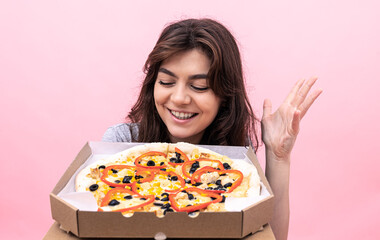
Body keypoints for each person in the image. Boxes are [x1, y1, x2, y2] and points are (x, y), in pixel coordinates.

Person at [102, 18, 322, 240]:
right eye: (167, 82)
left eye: (199, 87)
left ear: (225, 95)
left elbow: (269, 236)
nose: (178, 98)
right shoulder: (120, 142)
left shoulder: (235, 156)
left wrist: (278, 157)